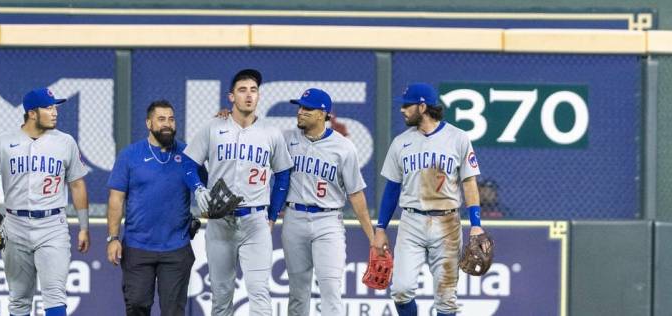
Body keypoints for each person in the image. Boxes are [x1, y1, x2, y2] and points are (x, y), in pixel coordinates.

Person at [183, 68, 293, 316]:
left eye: (253, 90)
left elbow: (283, 174)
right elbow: (189, 163)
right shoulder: (214, 127)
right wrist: (198, 188)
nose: (248, 95)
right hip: (220, 223)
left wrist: (273, 215)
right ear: (230, 96)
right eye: (242, 90)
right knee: (221, 299)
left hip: (255, 221)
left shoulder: (271, 133)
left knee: (259, 294)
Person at [372, 82, 486, 316]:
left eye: (407, 105)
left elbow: (469, 183)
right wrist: (380, 228)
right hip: (411, 222)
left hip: (447, 224)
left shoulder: (458, 138)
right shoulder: (400, 142)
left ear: (422, 107)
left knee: (446, 299)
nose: (402, 110)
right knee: (401, 290)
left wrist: (476, 225)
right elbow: (392, 188)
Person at [0, 87, 90, 316]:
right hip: (15, 224)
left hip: (52, 225)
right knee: (19, 299)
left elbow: (77, 184)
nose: (55, 112)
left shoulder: (65, 142)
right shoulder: (4, 142)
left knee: (55, 294)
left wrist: (84, 227)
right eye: (49, 107)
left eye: (55, 106)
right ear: (32, 113)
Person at [282, 88, 375, 316]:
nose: (300, 112)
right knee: (297, 293)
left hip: (328, 220)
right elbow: (253, 132)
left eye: (307, 108)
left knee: (331, 288)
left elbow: (356, 194)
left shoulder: (344, 147)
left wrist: (372, 237)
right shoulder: (285, 139)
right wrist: (229, 116)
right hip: (294, 217)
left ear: (323, 113)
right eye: (300, 107)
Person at [106, 99, 196, 316]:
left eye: (171, 119)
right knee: (137, 305)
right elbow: (116, 198)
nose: (167, 124)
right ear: (148, 123)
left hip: (176, 247)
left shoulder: (188, 154)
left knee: (173, 311)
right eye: (161, 119)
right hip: (138, 247)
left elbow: (206, 189)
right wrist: (113, 238)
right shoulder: (130, 155)